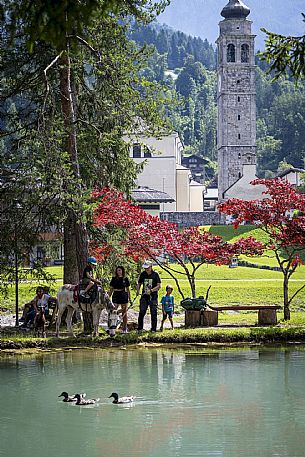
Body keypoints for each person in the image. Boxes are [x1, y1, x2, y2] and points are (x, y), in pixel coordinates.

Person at [136, 260, 161, 333]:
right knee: (142, 312)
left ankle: (153, 329)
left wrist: (152, 290)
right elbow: (139, 283)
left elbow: (159, 285)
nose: (146, 269)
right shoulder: (143, 274)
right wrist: (137, 291)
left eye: (147, 268)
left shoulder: (155, 274)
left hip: (153, 296)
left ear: (151, 267)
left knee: (153, 312)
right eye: (145, 268)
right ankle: (140, 329)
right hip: (144, 296)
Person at [109, 266, 131, 334]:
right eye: (117, 270)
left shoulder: (125, 279)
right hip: (115, 295)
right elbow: (111, 289)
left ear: (122, 271)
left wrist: (130, 299)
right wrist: (108, 297)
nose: (118, 272)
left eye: (120, 270)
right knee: (113, 311)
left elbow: (128, 290)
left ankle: (125, 328)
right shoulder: (114, 279)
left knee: (124, 311)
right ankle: (112, 328)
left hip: (123, 295)